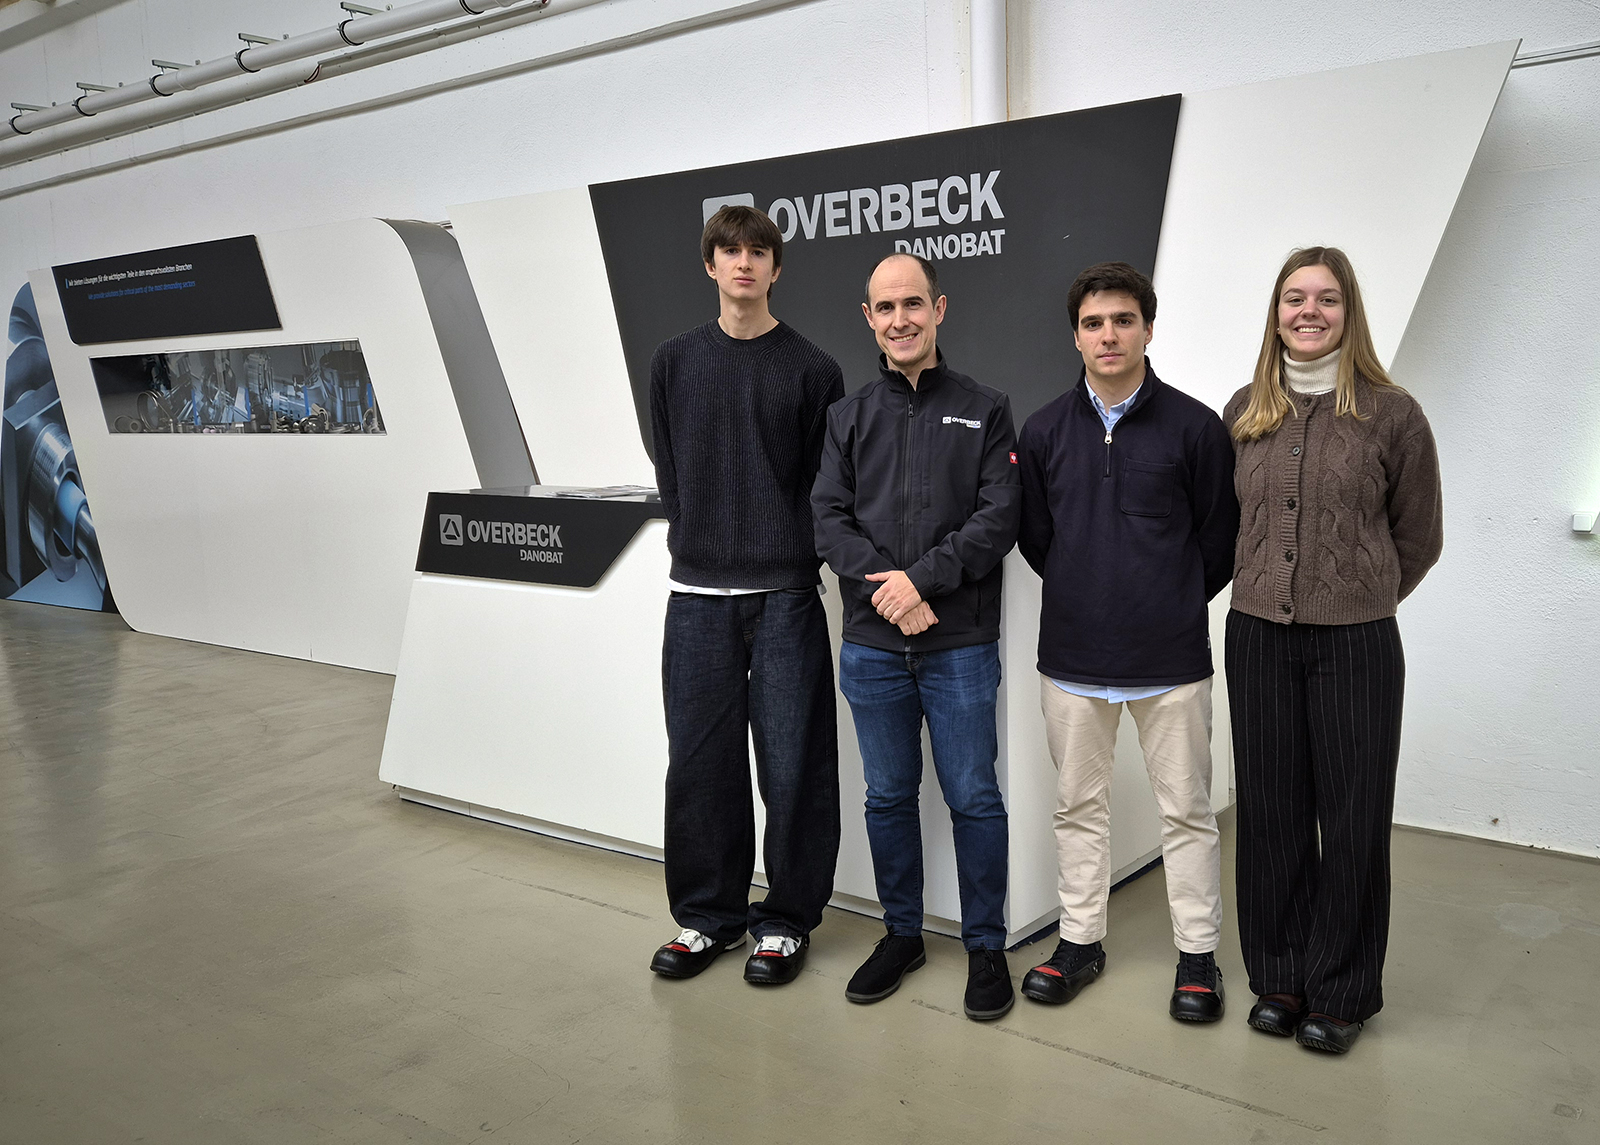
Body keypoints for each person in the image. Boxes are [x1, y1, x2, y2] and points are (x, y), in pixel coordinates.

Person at [1225, 246, 1442, 1054]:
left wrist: (1357, 596)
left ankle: (1343, 989)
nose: (1308, 312)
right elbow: (1226, 525)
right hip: (1256, 636)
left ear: (1349, 312)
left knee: (1353, 816)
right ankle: (1281, 975)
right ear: (1276, 313)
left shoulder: (1393, 414)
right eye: (1294, 298)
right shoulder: (1245, 409)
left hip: (1357, 642)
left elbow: (1419, 536)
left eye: (1326, 298)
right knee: (1270, 812)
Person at [1016, 261, 1239, 1022]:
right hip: (1072, 659)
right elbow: (1039, 540)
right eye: (1093, 323)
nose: (1107, 335)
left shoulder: (1196, 428)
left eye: (1122, 320)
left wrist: (1164, 601)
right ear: (1075, 336)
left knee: (1188, 813)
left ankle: (1198, 957)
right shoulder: (1043, 431)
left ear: (1148, 328)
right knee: (1078, 807)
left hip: (1170, 660)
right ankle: (1080, 943)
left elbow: (1218, 542)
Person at [812, 252, 1021, 1020]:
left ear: (939, 308)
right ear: (869, 318)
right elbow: (827, 520)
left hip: (958, 644)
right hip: (873, 648)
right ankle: (902, 933)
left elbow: (998, 517)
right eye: (885, 307)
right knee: (889, 794)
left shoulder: (986, 408)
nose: (900, 319)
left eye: (913, 303)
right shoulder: (847, 416)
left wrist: (919, 583)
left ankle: (986, 945)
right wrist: (891, 593)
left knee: (974, 796)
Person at [646, 205, 843, 986]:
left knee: (794, 766)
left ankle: (786, 922)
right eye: (730, 251)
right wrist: (700, 537)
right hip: (696, 597)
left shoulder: (813, 368)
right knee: (700, 765)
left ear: (775, 267)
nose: (744, 263)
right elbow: (670, 468)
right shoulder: (673, 361)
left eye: (758, 251)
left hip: (786, 597)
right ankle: (708, 918)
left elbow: (820, 485)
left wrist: (786, 554)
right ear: (710, 265)